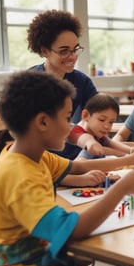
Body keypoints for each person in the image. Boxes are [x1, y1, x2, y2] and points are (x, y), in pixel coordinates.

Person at [0, 71, 134, 266]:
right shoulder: (18, 173)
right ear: (42, 122)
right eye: (66, 118)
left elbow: (78, 168)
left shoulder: (34, 156)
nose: (72, 127)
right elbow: (74, 229)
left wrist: (127, 161)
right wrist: (122, 187)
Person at [27, 9, 98, 160]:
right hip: (41, 159)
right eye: (64, 51)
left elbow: (99, 115)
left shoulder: (82, 82)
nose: (72, 57)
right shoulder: (29, 84)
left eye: (75, 49)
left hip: (77, 155)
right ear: (44, 50)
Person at [68, 93, 134, 160]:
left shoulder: (97, 133)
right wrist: (125, 155)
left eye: (111, 122)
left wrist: (132, 150)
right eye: (101, 120)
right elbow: (90, 143)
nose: (106, 126)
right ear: (86, 115)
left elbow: (111, 143)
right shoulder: (77, 132)